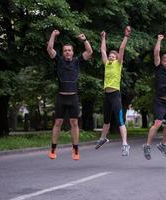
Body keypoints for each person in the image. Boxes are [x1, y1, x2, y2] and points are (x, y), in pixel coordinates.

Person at [47, 30, 92, 160]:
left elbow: (89, 52)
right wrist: (53, 35)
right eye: (65, 50)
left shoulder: (77, 61)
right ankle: (53, 149)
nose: (67, 52)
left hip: (73, 97)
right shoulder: (59, 60)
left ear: (72, 52)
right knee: (58, 122)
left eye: (69, 50)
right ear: (63, 52)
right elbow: (49, 48)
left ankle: (76, 149)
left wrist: (84, 40)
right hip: (61, 97)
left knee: (74, 123)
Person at [95, 26, 131, 156]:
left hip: (115, 94)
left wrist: (126, 36)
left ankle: (125, 144)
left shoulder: (118, 64)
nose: (110, 57)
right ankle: (103, 138)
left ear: (117, 59)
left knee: (120, 120)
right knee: (106, 120)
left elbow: (121, 49)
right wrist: (103, 37)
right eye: (110, 56)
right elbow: (102, 50)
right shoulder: (107, 64)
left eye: (113, 56)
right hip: (107, 95)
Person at [142, 34, 166, 160]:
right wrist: (158, 40)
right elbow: (156, 52)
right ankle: (147, 146)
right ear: (162, 62)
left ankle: (163, 144)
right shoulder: (159, 68)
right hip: (159, 101)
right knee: (157, 123)